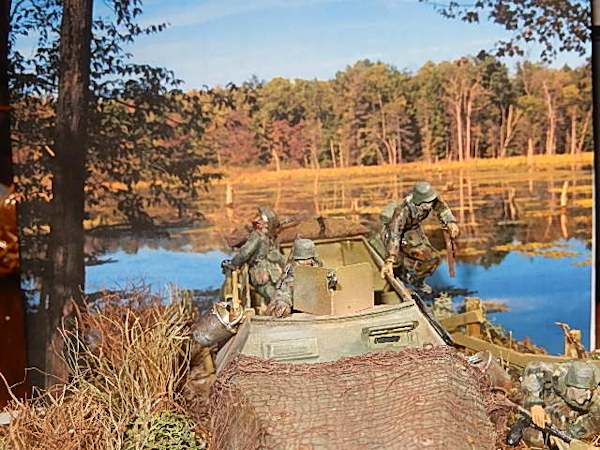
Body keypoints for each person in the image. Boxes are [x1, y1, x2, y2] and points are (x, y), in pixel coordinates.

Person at [379, 181, 459, 294]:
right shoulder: (402, 211)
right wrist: (390, 259)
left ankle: (417, 282)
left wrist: (450, 222)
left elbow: (441, 207)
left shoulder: (431, 199)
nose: (430, 205)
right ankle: (400, 277)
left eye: (431, 201)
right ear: (419, 202)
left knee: (432, 258)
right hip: (394, 231)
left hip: (412, 229)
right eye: (428, 202)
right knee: (397, 261)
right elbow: (394, 234)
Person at [514, 360, 600, 449]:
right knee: (528, 396)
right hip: (554, 396)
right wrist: (535, 403)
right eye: (582, 394)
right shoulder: (559, 375)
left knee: (563, 421)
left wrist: (568, 433)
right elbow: (532, 367)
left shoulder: (596, 398)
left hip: (575, 412)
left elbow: (594, 420)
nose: (587, 397)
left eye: (589, 392)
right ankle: (523, 419)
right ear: (571, 386)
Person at [221, 206, 286, 304]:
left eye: (260, 217)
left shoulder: (257, 236)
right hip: (272, 273)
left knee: (273, 296)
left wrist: (233, 264)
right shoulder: (269, 237)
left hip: (260, 273)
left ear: (264, 223)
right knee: (276, 294)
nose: (256, 219)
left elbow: (245, 253)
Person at [266, 238, 323, 318]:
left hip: (318, 311)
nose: (305, 263)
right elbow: (284, 292)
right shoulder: (292, 275)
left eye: (308, 261)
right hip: (299, 314)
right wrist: (283, 305)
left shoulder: (317, 269)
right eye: (300, 261)